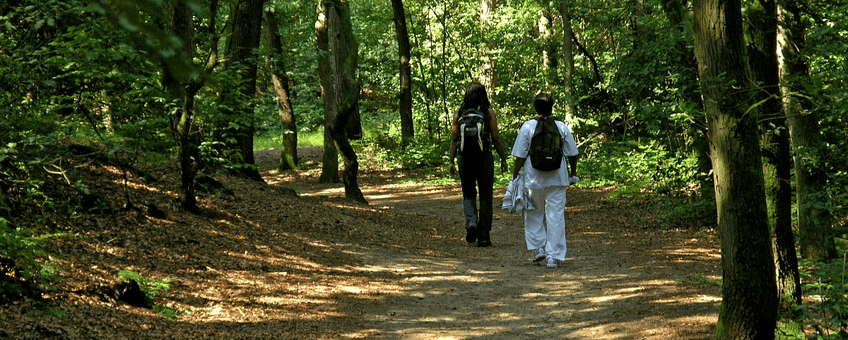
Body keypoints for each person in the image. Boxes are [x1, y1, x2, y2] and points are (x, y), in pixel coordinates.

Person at [510, 93, 579, 268]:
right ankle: (553, 256)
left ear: (535, 108)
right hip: (558, 178)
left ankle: (538, 248)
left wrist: (515, 174)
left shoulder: (528, 127)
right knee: (556, 216)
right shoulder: (561, 127)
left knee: (533, 213)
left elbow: (520, 155)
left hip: (533, 178)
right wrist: (573, 174)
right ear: (552, 107)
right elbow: (572, 153)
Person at [448, 82, 509, 247]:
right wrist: (503, 158)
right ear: (484, 94)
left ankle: (471, 223)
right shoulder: (489, 113)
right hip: (484, 158)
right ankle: (484, 236)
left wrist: (451, 161)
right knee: (486, 197)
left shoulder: (459, 113)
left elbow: (454, 139)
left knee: (468, 194)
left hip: (464, 158)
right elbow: (496, 138)